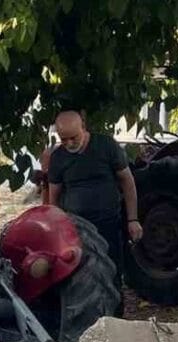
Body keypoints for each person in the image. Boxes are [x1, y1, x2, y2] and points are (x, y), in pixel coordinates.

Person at [46, 110, 142, 287]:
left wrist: (133, 219)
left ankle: (115, 312)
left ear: (83, 126)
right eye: (63, 139)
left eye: (73, 137)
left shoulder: (106, 146)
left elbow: (128, 182)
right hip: (76, 229)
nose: (68, 143)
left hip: (109, 223)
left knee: (113, 273)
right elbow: (54, 197)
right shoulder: (58, 158)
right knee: (81, 277)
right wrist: (56, 229)